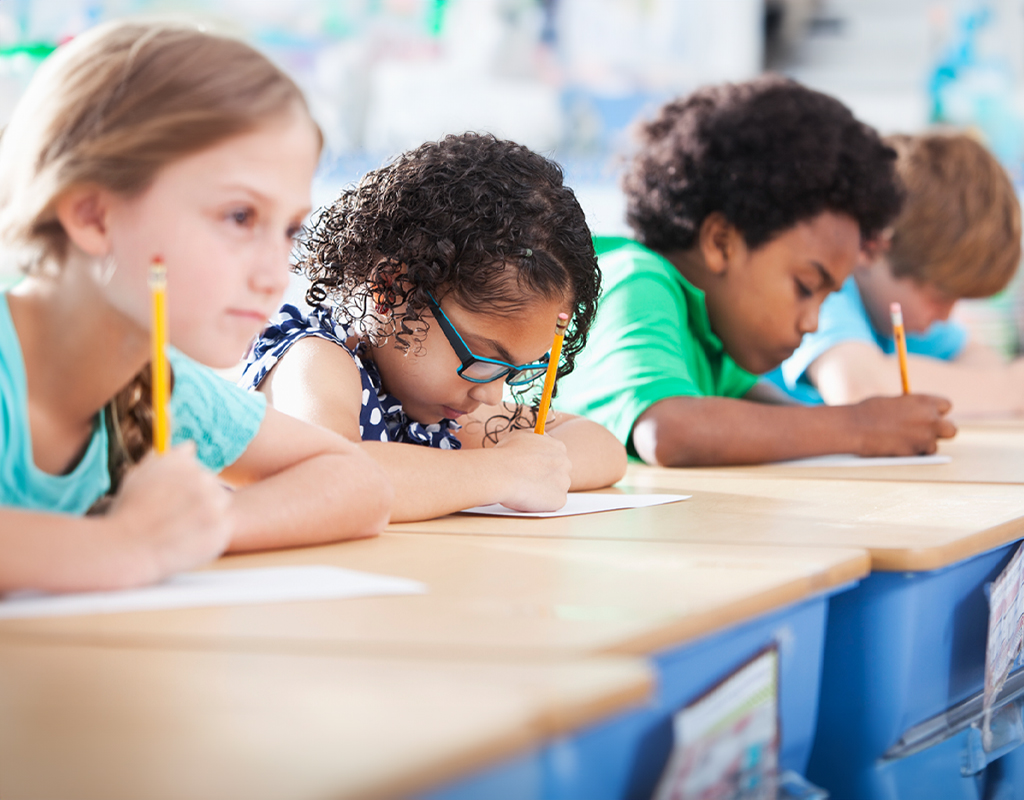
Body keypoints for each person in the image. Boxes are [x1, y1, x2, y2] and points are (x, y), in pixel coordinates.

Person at [0, 21, 392, 593]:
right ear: (92, 216)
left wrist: (188, 531)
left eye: (288, 229)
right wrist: (119, 546)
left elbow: (359, 483)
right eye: (239, 217)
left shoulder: (159, 389)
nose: (272, 274)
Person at [553, 76, 957, 467]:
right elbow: (670, 431)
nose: (812, 322)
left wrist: (884, 425)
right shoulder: (636, 281)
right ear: (721, 242)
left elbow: (764, 415)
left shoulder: (707, 333)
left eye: (827, 297)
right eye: (805, 287)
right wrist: (860, 427)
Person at [240, 133, 627, 521]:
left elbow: (602, 446)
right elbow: (326, 476)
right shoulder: (314, 360)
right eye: (485, 359)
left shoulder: (428, 405)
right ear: (391, 290)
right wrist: (503, 471)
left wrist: (531, 465)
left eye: (513, 372)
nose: (492, 395)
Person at [768, 132, 1024, 416]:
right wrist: (1010, 385)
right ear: (870, 247)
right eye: (939, 297)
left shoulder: (893, 313)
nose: (945, 316)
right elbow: (859, 390)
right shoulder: (825, 291)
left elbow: (981, 363)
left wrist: (1002, 385)